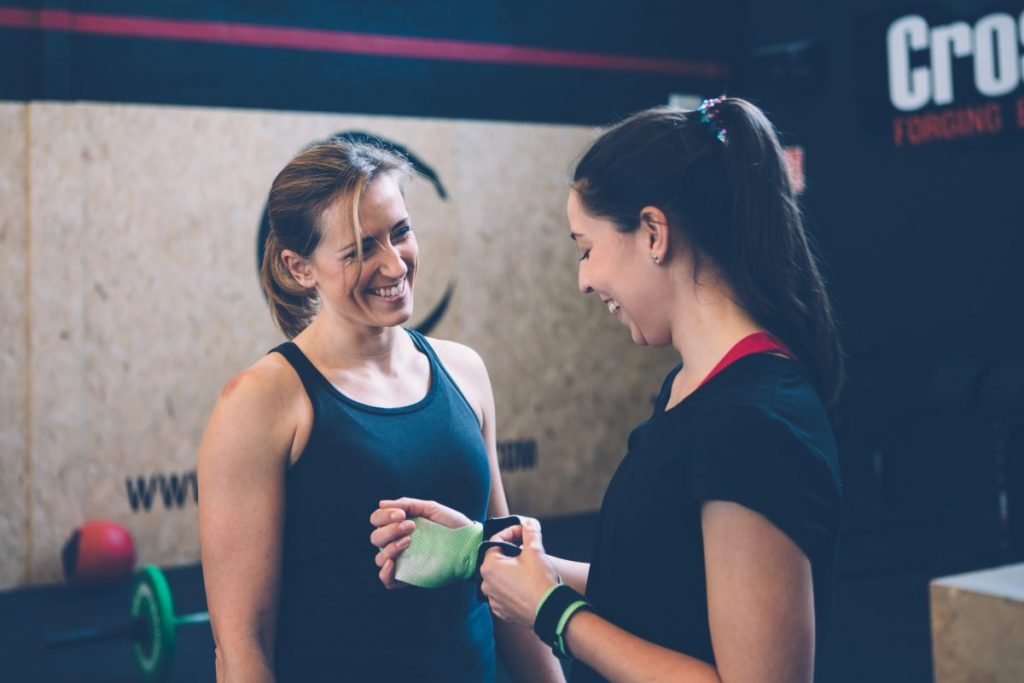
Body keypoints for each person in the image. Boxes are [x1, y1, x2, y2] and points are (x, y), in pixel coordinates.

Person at [369, 97, 843, 683]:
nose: (584, 279)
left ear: (652, 233)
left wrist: (553, 614)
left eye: (587, 248)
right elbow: (662, 595)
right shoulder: (691, 389)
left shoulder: (751, 422)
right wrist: (486, 553)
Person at [197, 137, 563, 683]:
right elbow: (242, 646)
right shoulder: (260, 402)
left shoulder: (464, 372)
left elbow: (506, 576)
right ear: (301, 268)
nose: (394, 263)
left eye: (401, 232)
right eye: (360, 249)